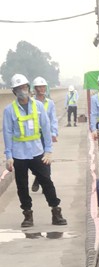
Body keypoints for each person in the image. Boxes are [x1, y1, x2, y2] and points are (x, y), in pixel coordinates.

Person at [3, 73, 67, 227]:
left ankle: (56, 212)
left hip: (38, 152)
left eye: (24, 87)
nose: (22, 90)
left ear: (28, 88)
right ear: (14, 91)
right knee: (22, 186)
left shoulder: (38, 107)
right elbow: (7, 133)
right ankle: (27, 215)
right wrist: (9, 155)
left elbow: (45, 128)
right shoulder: (9, 110)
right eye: (18, 88)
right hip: (19, 155)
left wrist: (48, 151)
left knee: (46, 182)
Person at [30, 77, 58, 193]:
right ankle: (38, 178)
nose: (42, 89)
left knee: (46, 159)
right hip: (34, 135)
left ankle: (46, 183)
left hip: (45, 134)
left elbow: (53, 119)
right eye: (39, 87)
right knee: (35, 159)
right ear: (35, 89)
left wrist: (54, 132)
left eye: (43, 87)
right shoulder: (30, 102)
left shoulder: (50, 103)